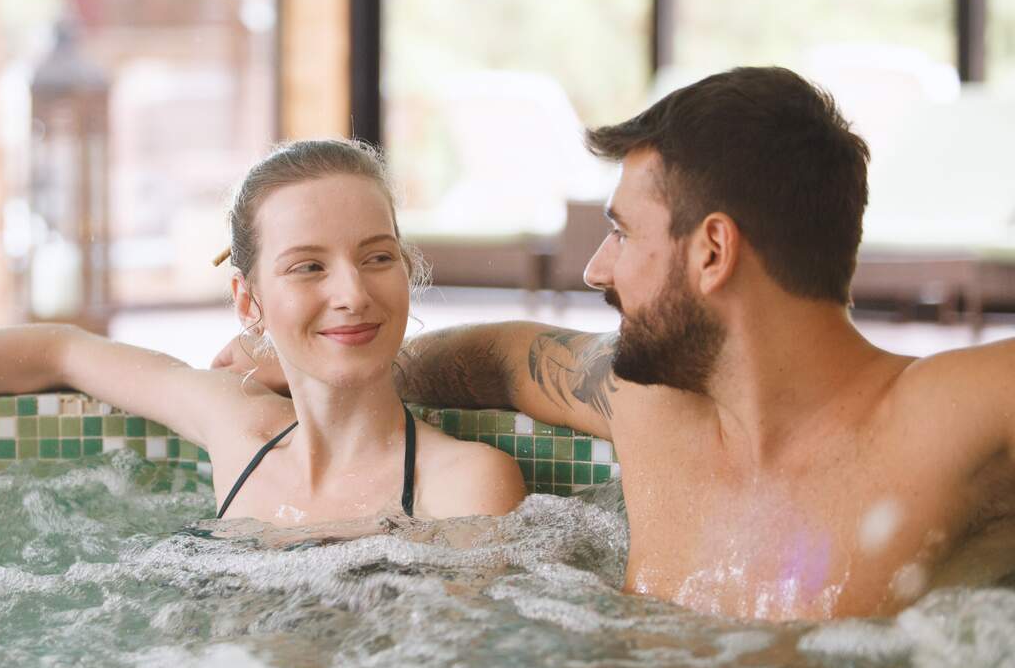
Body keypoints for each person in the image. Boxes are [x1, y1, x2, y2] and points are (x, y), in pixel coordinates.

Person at [215, 67, 1015, 620]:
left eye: (623, 233)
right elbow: (501, 357)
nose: (597, 268)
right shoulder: (648, 408)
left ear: (713, 251)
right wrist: (317, 359)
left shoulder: (947, 415)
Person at [0, 139, 527, 526]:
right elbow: (56, 349)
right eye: (308, 267)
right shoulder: (239, 429)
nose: (352, 294)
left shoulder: (464, 486)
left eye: (377, 257)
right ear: (248, 301)